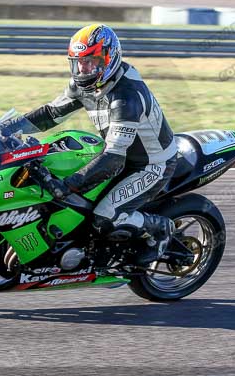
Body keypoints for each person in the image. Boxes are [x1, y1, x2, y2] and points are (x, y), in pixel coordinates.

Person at [23, 23, 178, 267]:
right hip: (118, 153)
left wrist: (67, 185)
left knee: (104, 217)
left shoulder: (125, 97)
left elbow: (114, 159)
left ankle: (160, 230)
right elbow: (50, 114)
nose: (83, 69)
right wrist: (6, 130)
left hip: (150, 164)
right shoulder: (84, 83)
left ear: (109, 58)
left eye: (91, 62)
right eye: (78, 62)